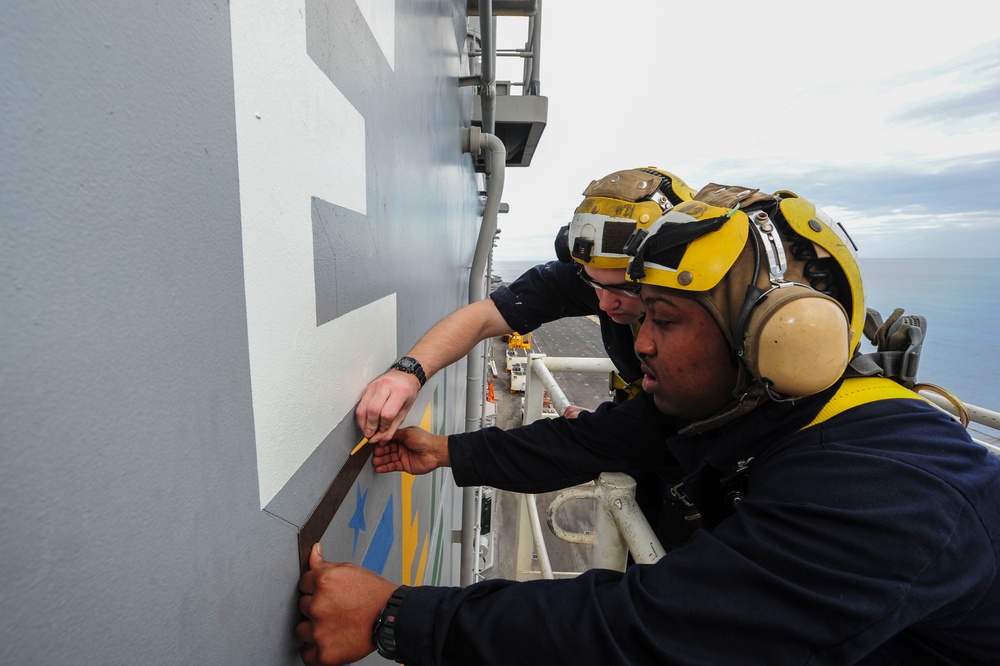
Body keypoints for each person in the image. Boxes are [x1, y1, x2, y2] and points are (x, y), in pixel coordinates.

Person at [297, 186, 1000, 664]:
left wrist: (399, 618)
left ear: (775, 338)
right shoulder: (752, 414)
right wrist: (440, 436)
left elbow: (658, 632)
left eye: (663, 319)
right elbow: (606, 438)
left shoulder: (886, 488)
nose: (635, 339)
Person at [354, 167, 696, 441]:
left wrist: (608, 431)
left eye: (626, 288)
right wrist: (409, 373)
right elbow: (485, 318)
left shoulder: (719, 319)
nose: (605, 303)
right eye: (594, 284)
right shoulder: (600, 277)